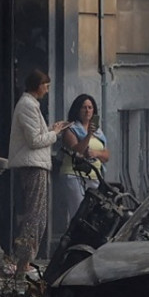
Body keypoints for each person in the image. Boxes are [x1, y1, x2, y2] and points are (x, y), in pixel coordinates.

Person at [7, 70, 69, 279]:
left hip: (37, 163)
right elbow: (34, 141)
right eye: (46, 85)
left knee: (39, 214)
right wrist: (55, 134)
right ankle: (22, 262)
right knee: (34, 215)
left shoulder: (31, 105)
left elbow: (36, 136)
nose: (47, 89)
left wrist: (52, 129)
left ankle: (25, 260)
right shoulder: (27, 105)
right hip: (33, 164)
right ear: (37, 85)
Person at [57, 93, 110, 232]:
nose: (87, 111)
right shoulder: (71, 129)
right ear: (77, 110)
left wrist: (96, 153)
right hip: (74, 175)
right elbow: (78, 151)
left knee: (93, 215)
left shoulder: (99, 132)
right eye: (84, 107)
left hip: (94, 177)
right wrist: (88, 136)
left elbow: (106, 155)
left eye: (90, 108)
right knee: (78, 212)